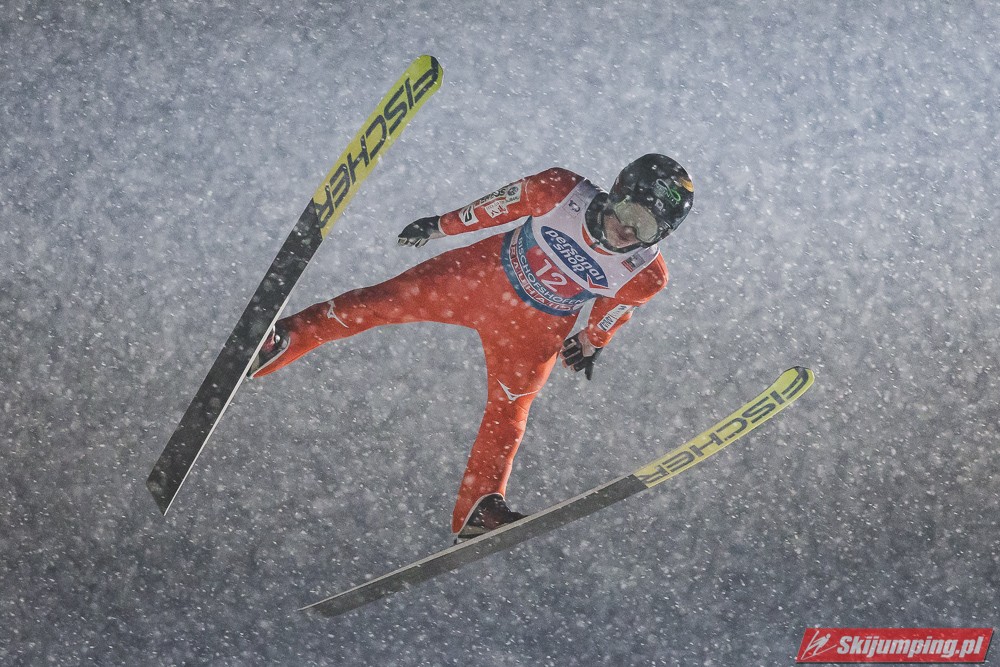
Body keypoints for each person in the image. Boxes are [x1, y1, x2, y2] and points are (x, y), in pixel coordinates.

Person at [248, 154, 694, 540]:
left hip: (533, 330)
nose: (627, 231)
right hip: (476, 278)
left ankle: (479, 506)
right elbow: (498, 206)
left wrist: (592, 341)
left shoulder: (646, 274)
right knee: (378, 304)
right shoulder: (561, 191)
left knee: (510, 409)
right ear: (617, 192)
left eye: (646, 227)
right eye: (630, 212)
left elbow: (615, 310)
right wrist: (441, 226)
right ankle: (284, 340)